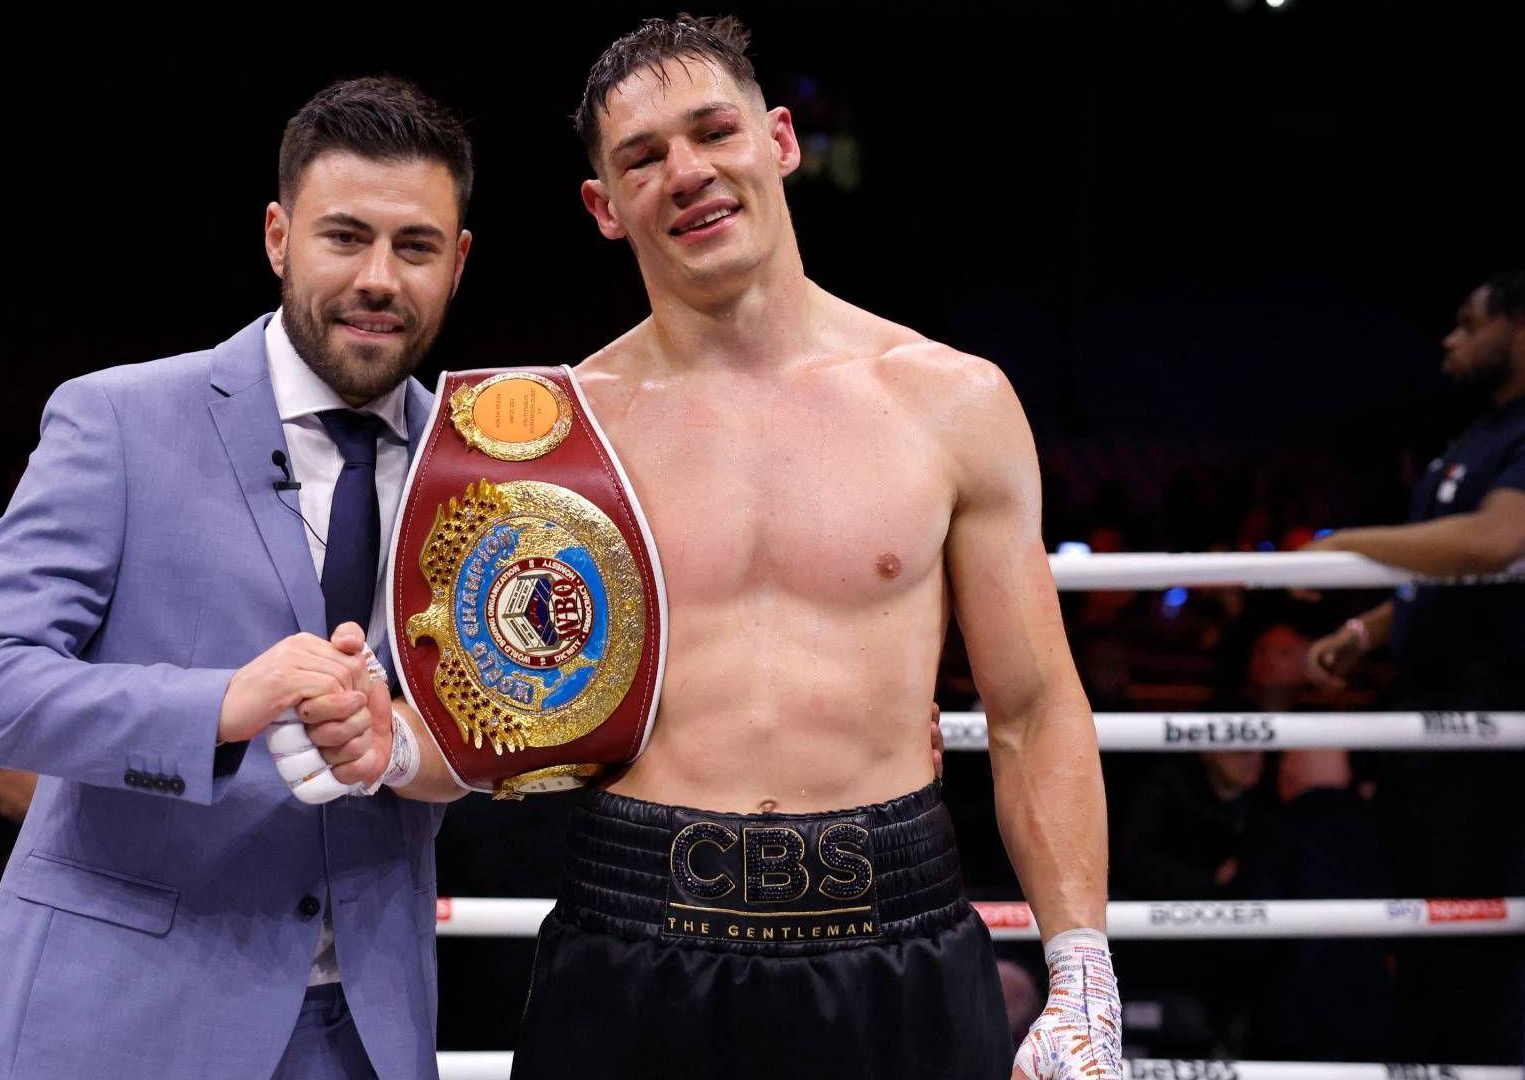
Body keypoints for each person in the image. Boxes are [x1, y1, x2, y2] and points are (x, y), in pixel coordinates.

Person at [386, 16, 1116, 1079]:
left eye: (712, 131)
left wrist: (1082, 966)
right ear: (603, 206)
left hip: (897, 934)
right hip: (633, 939)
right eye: (642, 158)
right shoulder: (554, 434)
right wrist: (390, 739)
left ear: (777, 140)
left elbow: (1034, 706)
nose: (686, 172)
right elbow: (495, 713)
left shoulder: (952, 401)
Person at [0, 76, 473, 1080]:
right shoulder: (121, 421)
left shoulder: (485, 469)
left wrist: (401, 747)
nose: (380, 278)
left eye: (417, 246)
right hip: (114, 1024)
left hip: (367, 1035)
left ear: (459, 261)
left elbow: (508, 728)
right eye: (344, 237)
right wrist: (221, 703)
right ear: (278, 237)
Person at [1304, 270, 1525, 1059]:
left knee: (1488, 943)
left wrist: (1344, 544)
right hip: (1433, 726)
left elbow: (1495, 542)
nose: (1450, 340)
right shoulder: (1473, 439)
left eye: (1470, 324)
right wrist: (1365, 630)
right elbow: (1452, 581)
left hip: (1497, 729)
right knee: (1429, 938)